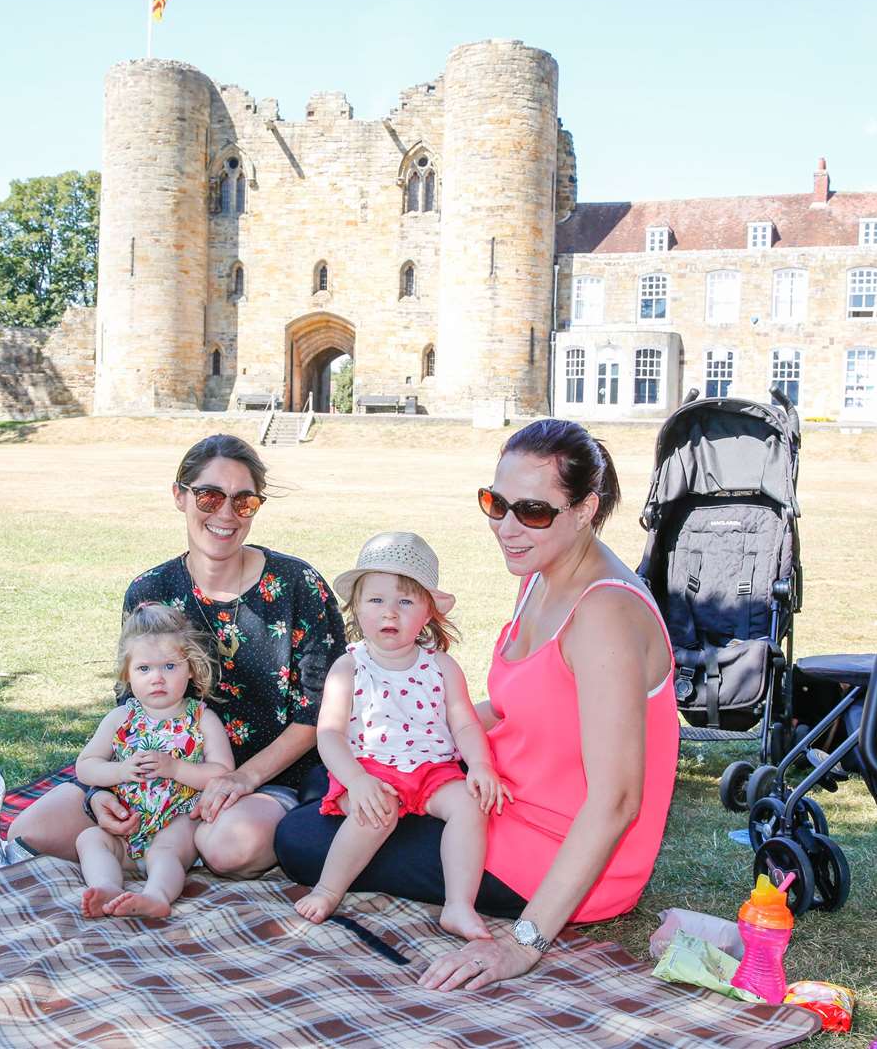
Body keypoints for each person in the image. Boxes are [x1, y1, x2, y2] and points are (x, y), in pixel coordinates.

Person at [275, 418, 678, 991]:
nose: (508, 527)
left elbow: (616, 800)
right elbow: (519, 708)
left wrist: (523, 944)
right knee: (335, 779)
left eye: (533, 511)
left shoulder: (605, 617)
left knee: (300, 838)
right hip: (501, 796)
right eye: (496, 503)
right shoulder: (542, 571)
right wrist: (402, 730)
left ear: (586, 509)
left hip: (549, 855)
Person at [3, 434, 346, 877]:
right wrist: (100, 793)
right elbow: (131, 702)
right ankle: (160, 847)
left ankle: (167, 849)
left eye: (243, 502)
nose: (225, 514)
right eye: (209, 496)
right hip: (153, 776)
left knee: (229, 849)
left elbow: (319, 712)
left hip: (266, 777)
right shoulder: (151, 591)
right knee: (31, 831)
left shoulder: (298, 584)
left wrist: (241, 778)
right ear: (179, 496)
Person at [292, 532, 507, 941]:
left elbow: (463, 722)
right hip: (370, 768)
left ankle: (459, 905)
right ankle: (328, 888)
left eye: (406, 601)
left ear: (428, 612)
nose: (390, 612)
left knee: (469, 805)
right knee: (377, 811)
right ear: (356, 606)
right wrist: (356, 780)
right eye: (376, 600)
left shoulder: (441, 666)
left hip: (433, 770)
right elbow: (331, 734)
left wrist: (480, 765)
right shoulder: (349, 667)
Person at [74, 603, 234, 918]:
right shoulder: (121, 717)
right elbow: (86, 765)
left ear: (191, 668)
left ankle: (157, 896)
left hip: (179, 820)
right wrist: (119, 770)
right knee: (90, 838)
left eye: (170, 667)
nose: (157, 678)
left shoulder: (201, 718)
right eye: (144, 669)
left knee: (166, 851)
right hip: (127, 824)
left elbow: (223, 772)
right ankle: (107, 886)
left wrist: (176, 768)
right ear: (127, 674)